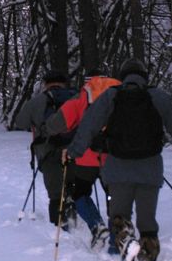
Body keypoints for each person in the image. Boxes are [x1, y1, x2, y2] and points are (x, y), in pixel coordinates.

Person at [63, 58, 172, 261]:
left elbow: (89, 125)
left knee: (119, 215)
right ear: (144, 77)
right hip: (150, 168)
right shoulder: (158, 97)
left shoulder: (111, 96)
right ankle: (149, 259)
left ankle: (125, 239)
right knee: (147, 221)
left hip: (117, 168)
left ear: (123, 76)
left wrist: (74, 151)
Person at [46, 69, 120, 250]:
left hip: (85, 157)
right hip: (112, 155)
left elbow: (54, 126)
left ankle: (97, 226)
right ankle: (117, 235)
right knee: (114, 195)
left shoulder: (80, 99)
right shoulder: (119, 96)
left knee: (80, 193)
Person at [14, 70, 77, 228]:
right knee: (73, 185)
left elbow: (20, 122)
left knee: (55, 192)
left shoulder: (38, 101)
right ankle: (72, 215)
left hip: (48, 151)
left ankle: (59, 227)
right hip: (74, 149)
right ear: (64, 82)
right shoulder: (76, 97)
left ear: (45, 83)